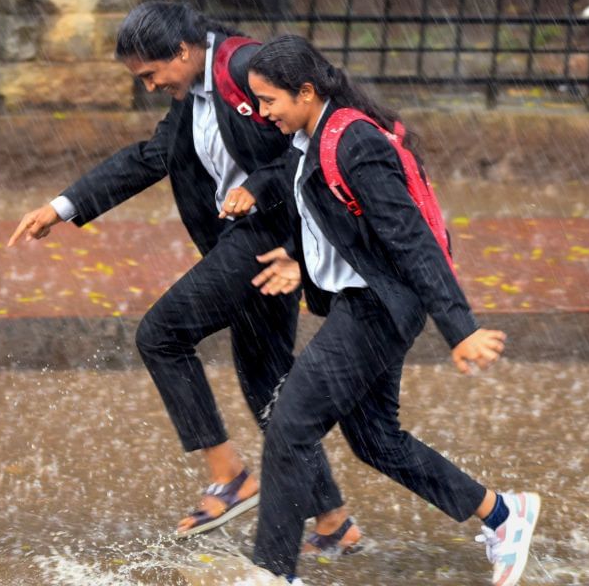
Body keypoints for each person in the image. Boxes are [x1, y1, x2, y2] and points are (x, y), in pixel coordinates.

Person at [6, 4, 359, 551]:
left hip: (267, 240)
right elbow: (150, 158)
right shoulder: (191, 99)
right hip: (251, 242)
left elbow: (314, 137)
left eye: (151, 74)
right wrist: (63, 206)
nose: (149, 86)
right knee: (267, 384)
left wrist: (261, 188)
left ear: (183, 52)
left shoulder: (244, 68)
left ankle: (231, 476)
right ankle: (334, 522)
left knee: (161, 335)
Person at [219, 34, 540, 585]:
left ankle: (272, 574)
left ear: (306, 91)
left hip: (380, 306)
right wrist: (301, 259)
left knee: (291, 425)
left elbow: (412, 240)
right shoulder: (314, 134)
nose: (261, 112)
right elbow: (343, 219)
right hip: (364, 298)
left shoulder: (352, 143)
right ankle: (503, 515)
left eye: (269, 100)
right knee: (374, 439)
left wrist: (459, 329)